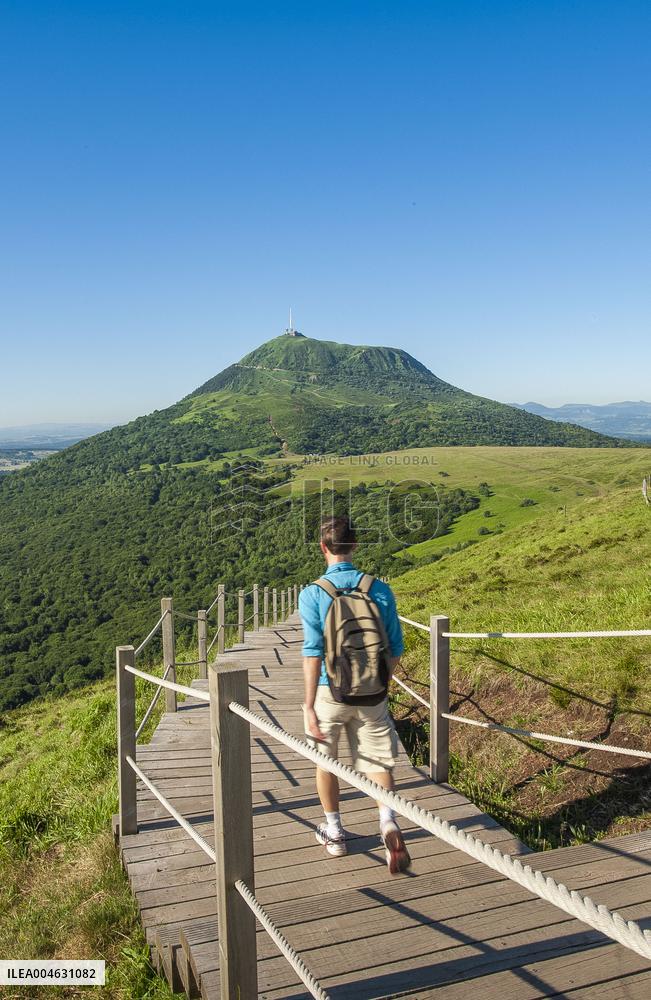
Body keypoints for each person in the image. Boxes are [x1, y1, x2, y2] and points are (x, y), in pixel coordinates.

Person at [298, 515, 411, 874]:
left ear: (323, 547)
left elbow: (313, 651)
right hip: (372, 691)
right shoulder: (378, 589)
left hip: (329, 692)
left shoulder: (313, 593)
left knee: (326, 762)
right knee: (377, 760)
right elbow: (395, 646)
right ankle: (388, 821)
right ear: (355, 545)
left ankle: (334, 833)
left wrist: (309, 704)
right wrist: (381, 683)